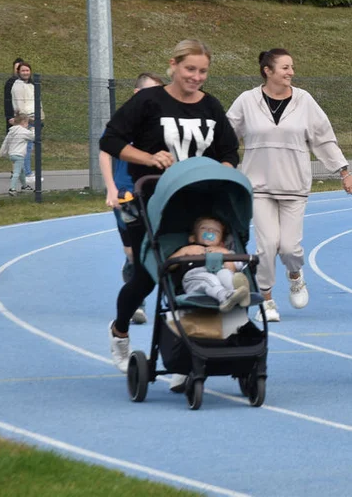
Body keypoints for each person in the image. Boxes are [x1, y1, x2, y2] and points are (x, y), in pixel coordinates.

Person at [100, 39, 240, 373]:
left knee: (201, 271)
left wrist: (224, 170)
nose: (196, 77)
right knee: (148, 277)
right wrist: (148, 157)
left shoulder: (211, 107)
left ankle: (188, 348)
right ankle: (120, 331)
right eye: (190, 69)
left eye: (203, 71)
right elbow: (110, 140)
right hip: (150, 200)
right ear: (173, 65)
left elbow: (229, 151)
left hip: (198, 202)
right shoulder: (149, 101)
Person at [226, 48, 352, 323]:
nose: (291, 72)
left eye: (292, 68)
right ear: (268, 70)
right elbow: (226, 136)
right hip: (259, 187)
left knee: (289, 248)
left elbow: (324, 138)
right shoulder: (247, 101)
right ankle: (267, 299)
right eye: (285, 67)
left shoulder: (304, 101)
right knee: (266, 245)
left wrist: (343, 172)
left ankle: (295, 275)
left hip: (294, 187)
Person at [100, 72, 167, 325]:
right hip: (126, 194)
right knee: (133, 252)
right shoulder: (126, 121)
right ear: (138, 94)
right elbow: (105, 152)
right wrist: (110, 188)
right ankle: (132, 274)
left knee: (156, 245)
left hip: (155, 192)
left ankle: (143, 293)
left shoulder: (162, 122)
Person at [174, 216, 251, 313]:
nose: (210, 230)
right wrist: (183, 251)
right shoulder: (188, 249)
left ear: (221, 243)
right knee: (209, 278)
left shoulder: (225, 251)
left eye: (216, 231)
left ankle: (237, 293)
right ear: (192, 238)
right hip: (194, 279)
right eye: (204, 228)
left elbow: (232, 269)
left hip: (218, 276)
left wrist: (225, 254)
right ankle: (225, 297)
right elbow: (168, 266)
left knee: (226, 273)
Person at [11, 62, 43, 184]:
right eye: (23, 70)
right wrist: (27, 119)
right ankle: (28, 173)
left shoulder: (30, 84)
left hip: (34, 117)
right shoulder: (18, 86)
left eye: (27, 70)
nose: (25, 72)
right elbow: (20, 105)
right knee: (27, 148)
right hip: (27, 119)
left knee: (29, 147)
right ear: (18, 72)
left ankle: (24, 173)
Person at [0, 113, 34, 195]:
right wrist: (33, 129)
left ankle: (24, 186)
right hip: (19, 155)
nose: (28, 124)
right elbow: (33, 137)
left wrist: (2, 152)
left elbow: (6, 142)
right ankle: (12, 188)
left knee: (21, 171)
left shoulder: (11, 131)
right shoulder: (24, 132)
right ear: (23, 122)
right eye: (27, 123)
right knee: (16, 172)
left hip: (12, 155)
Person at [3, 57, 24, 131]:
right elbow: (7, 102)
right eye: (16, 68)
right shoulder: (10, 83)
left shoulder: (29, 83)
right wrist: (10, 117)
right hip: (14, 118)